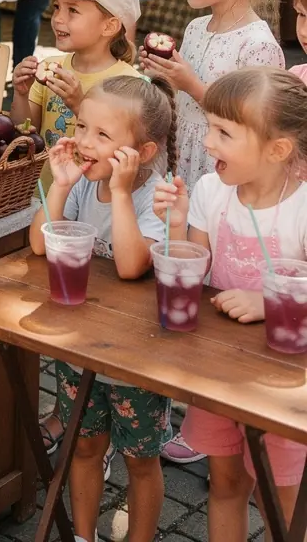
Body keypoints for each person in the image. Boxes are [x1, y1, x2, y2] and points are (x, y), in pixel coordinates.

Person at [140, 0, 285, 467]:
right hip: (192, 170)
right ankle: (191, 402)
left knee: (224, 278)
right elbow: (185, 103)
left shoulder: (258, 44)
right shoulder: (197, 26)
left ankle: (221, 408)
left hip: (230, 181)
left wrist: (191, 83)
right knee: (191, 276)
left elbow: (249, 121)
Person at [154, 68, 307, 542]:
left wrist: (268, 300)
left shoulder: (302, 208)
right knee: (224, 483)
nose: (210, 142)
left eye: (224, 132)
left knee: (279, 501)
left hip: (282, 384)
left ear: (276, 149)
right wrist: (176, 226)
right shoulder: (209, 192)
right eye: (210, 126)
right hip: (218, 374)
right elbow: (191, 274)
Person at [32, 76, 176, 542]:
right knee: (85, 447)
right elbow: (40, 243)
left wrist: (119, 192)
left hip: (135, 361)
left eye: (103, 135)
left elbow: (133, 266)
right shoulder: (79, 188)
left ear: (143, 153)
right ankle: (83, 535)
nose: (83, 142)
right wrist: (59, 184)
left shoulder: (155, 197)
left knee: (140, 461)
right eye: (80, 126)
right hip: (81, 349)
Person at [11, 0, 142, 153]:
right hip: (43, 183)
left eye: (72, 10)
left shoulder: (129, 85)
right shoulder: (50, 67)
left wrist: (80, 106)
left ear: (109, 26)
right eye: (57, 6)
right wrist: (21, 94)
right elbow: (24, 136)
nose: (57, 18)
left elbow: (121, 148)